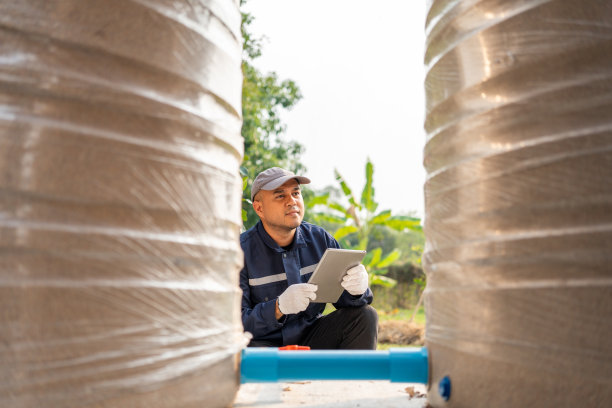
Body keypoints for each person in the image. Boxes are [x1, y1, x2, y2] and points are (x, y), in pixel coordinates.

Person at [240, 167, 378, 349]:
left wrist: (358, 290)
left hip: (313, 339)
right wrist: (277, 308)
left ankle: (353, 378)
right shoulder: (239, 251)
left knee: (365, 316)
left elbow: (349, 302)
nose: (292, 201)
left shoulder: (320, 240)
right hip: (265, 347)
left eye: (296, 193)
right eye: (280, 196)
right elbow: (233, 324)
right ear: (259, 208)